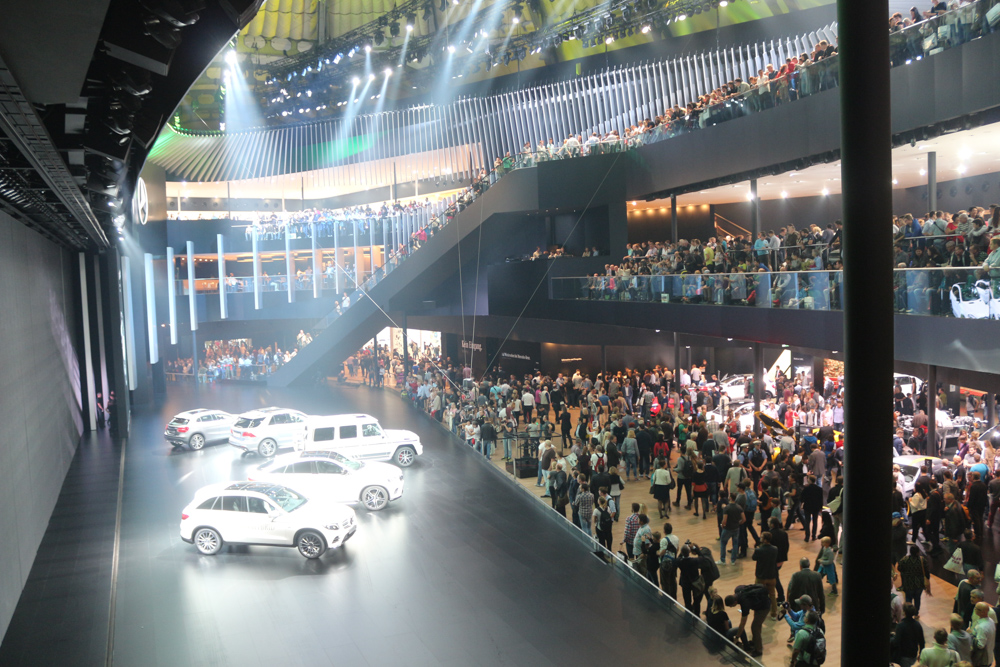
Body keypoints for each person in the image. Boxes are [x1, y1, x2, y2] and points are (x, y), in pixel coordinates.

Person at [725, 583, 772, 658]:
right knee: (757, 624)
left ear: (735, 602)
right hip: (759, 604)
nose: (731, 607)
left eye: (731, 606)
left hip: (764, 608)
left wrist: (737, 637)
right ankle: (754, 642)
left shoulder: (744, 603)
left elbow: (743, 623)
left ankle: (758, 650)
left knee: (755, 627)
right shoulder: (738, 589)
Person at [752, 531, 780, 618]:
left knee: (758, 594)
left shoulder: (759, 550)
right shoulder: (775, 549)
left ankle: (760, 612)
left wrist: (756, 548)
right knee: (772, 595)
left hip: (761, 576)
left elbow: (754, 558)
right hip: (772, 575)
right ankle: (774, 614)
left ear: (764, 540)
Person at [897, 546, 930, 615]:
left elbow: (899, 568)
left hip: (908, 583)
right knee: (917, 599)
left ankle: (908, 613)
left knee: (908, 598)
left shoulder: (905, 559)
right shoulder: (922, 560)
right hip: (919, 584)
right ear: (918, 552)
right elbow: (927, 571)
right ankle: (916, 613)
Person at [892, 602, 925, 667]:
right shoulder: (917, 625)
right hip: (913, 655)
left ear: (904, 612)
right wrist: (920, 654)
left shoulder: (900, 626)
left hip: (903, 655)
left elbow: (896, 642)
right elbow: (922, 642)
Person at [677, 544, 706, 615]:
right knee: (697, 600)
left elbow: (679, 557)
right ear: (689, 551)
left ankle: (688, 614)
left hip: (685, 582)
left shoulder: (680, 562)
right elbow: (702, 557)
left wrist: (682, 550)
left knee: (687, 600)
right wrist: (696, 549)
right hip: (695, 582)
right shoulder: (694, 561)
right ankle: (697, 615)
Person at [971, 601, 996, 667]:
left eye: (976, 608)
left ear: (983, 612)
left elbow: (980, 645)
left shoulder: (982, 627)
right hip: (989, 656)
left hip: (982, 660)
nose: (974, 609)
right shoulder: (991, 620)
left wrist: (971, 635)